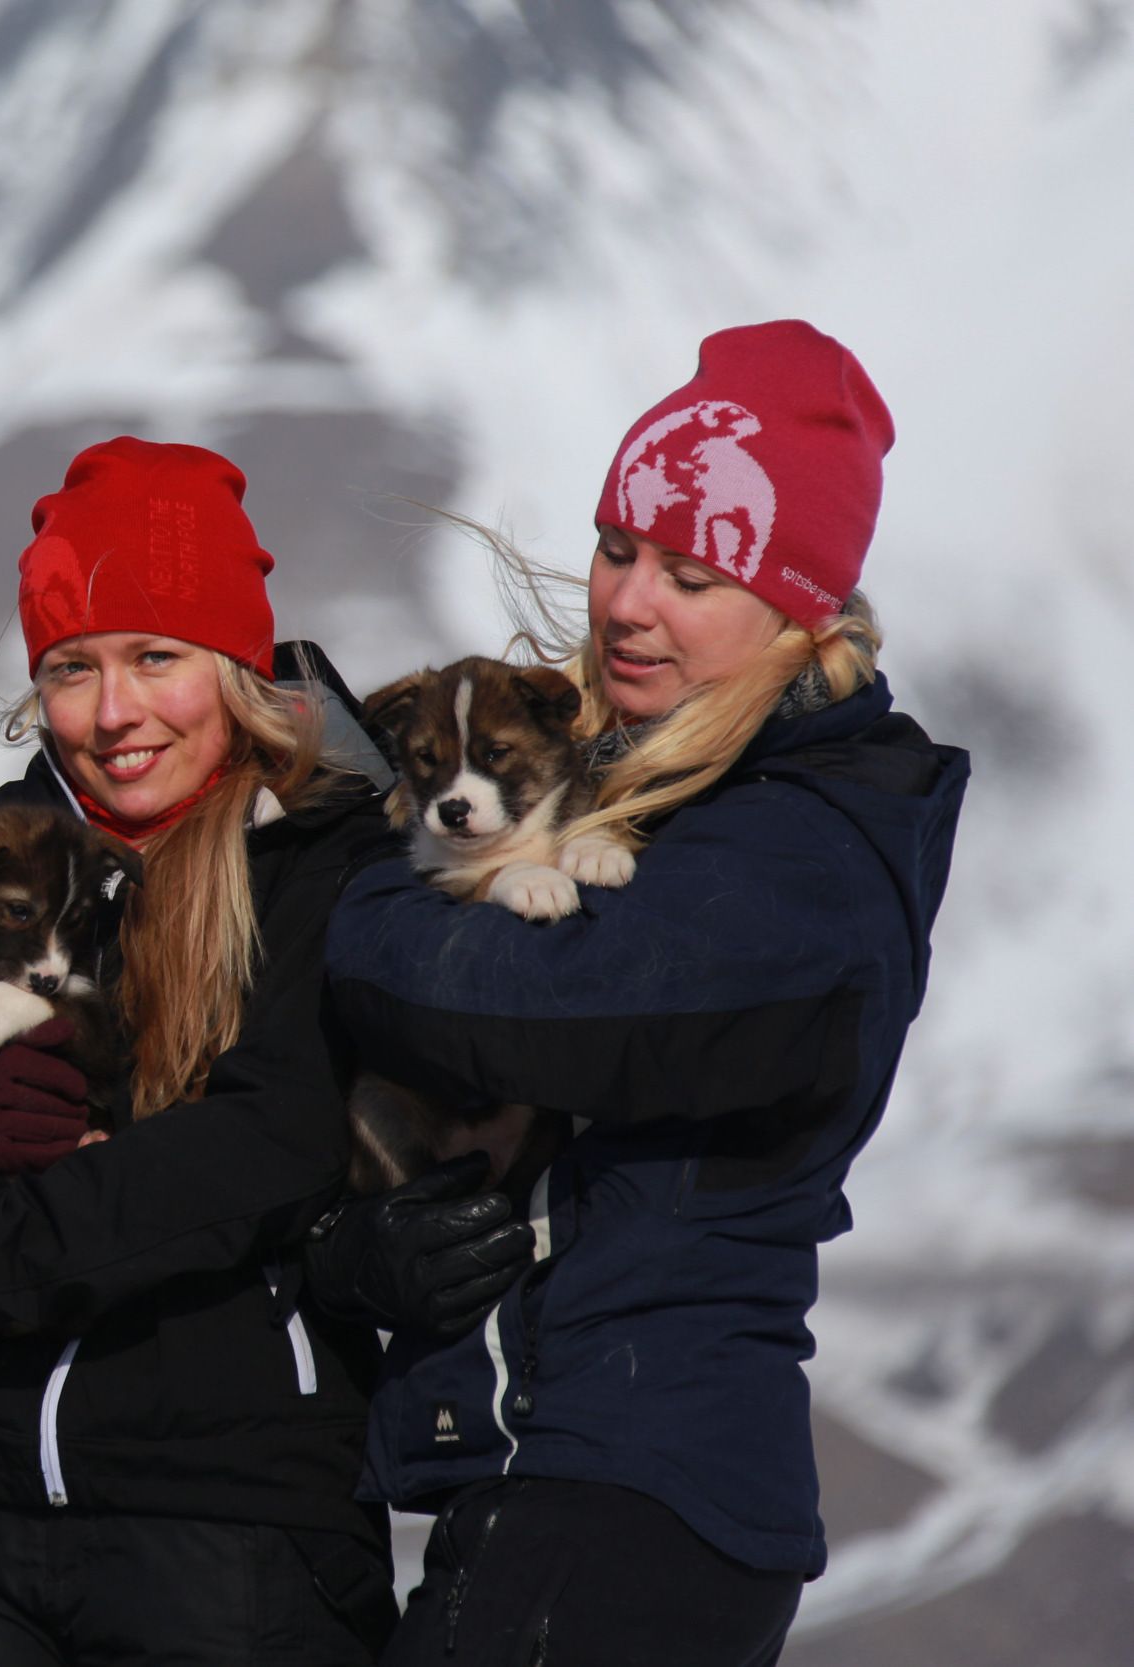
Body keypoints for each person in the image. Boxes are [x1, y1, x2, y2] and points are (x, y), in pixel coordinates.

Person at [316, 321, 967, 1666]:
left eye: (690, 571)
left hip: (637, 1494)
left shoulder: (802, 850)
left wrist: (364, 869)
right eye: (618, 549)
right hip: (572, 1472)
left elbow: (531, 1007)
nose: (626, 602)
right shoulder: (662, 794)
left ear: (800, 611)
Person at [0, 437, 532, 1667]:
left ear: (232, 665)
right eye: (70, 668)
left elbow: (262, 1143)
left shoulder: (338, 860)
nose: (113, 713)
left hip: (229, 1524)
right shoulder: (4, 849)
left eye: (155, 657)